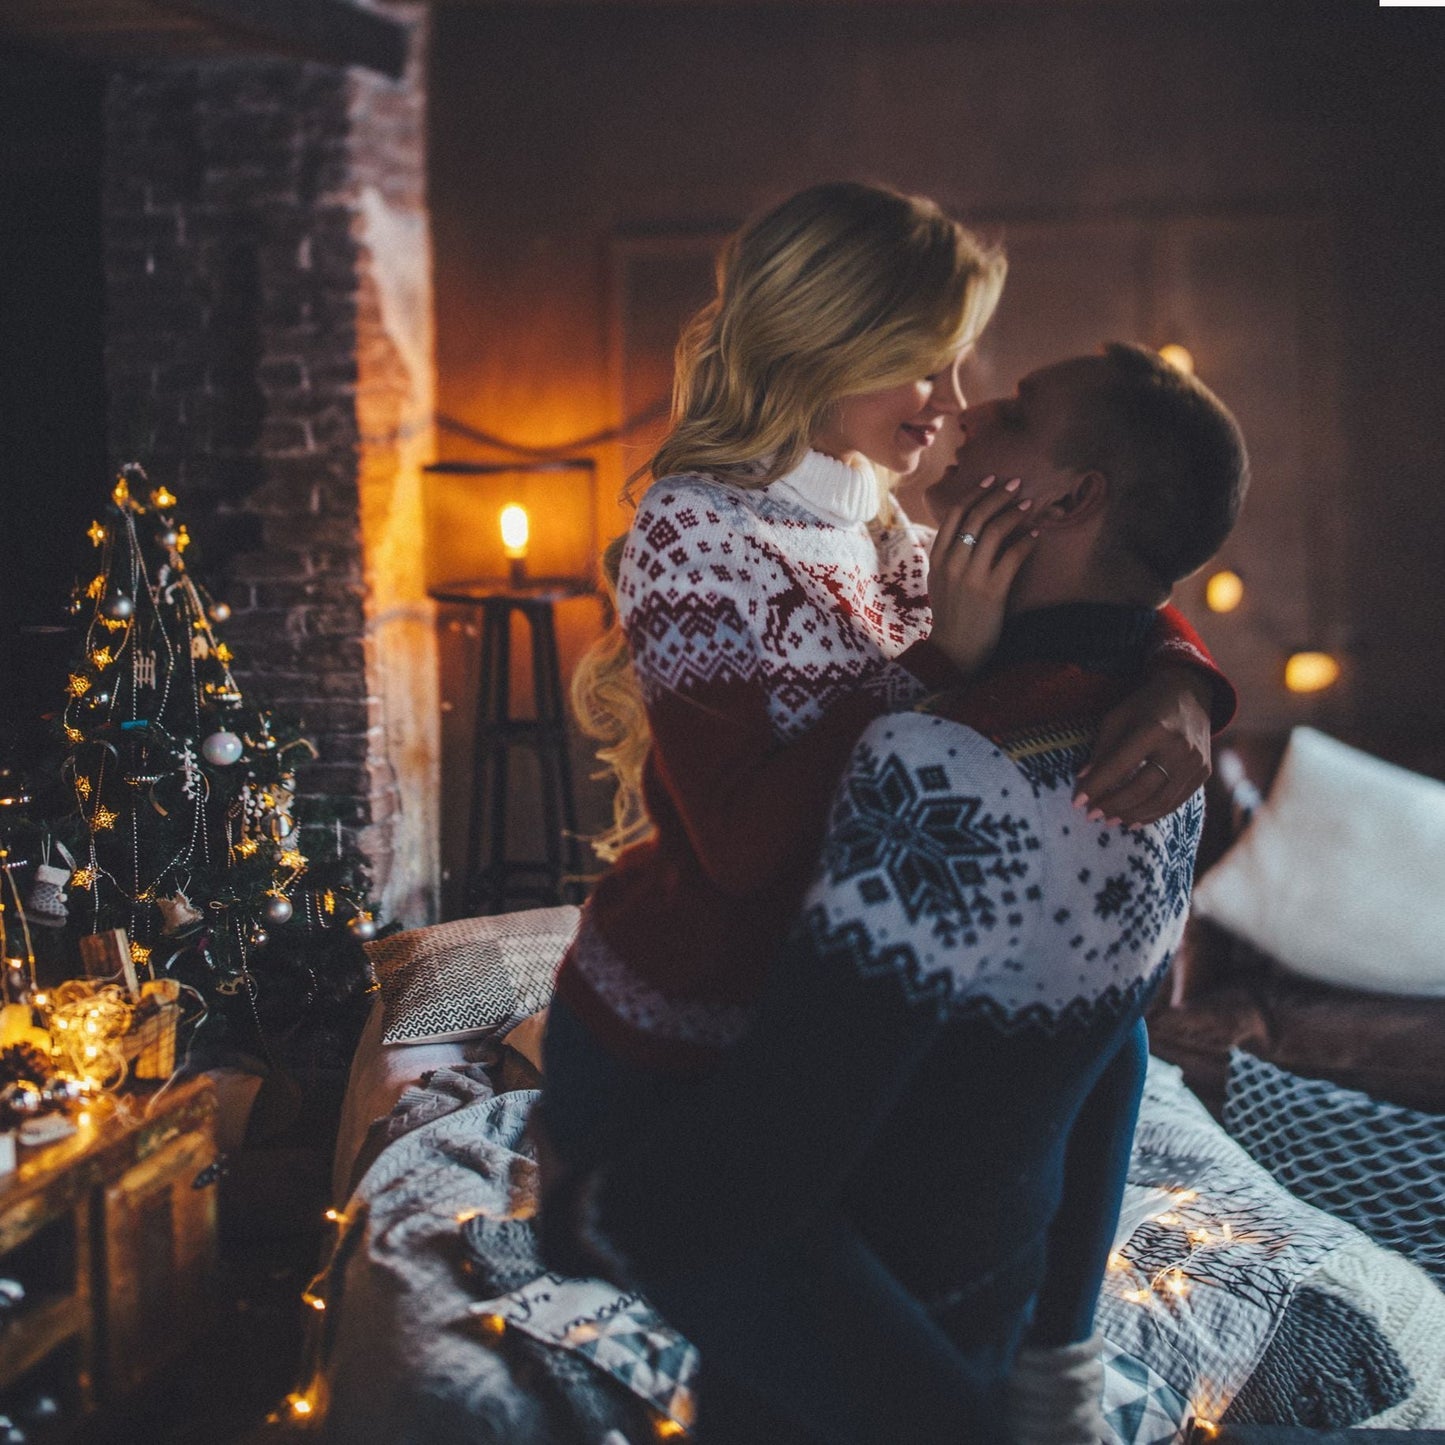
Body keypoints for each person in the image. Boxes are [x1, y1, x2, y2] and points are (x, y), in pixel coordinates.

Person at [561, 343, 1251, 1445]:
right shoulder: (1157, 755)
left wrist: (595, 1207)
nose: (968, 416)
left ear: (1070, 496)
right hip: (999, 1285)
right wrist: (1180, 676)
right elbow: (1109, 1056)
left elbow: (781, 1149)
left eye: (1013, 407)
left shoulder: (941, 763)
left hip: (849, 1328)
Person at [541, 182, 1229, 1139]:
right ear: (829, 344)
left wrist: (1183, 680)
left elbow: (1108, 584)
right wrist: (937, 660)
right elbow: (742, 853)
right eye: (923, 368)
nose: (950, 404)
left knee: (1117, 1053)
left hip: (840, 1041)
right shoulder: (696, 529)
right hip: (675, 1041)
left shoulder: (895, 530)